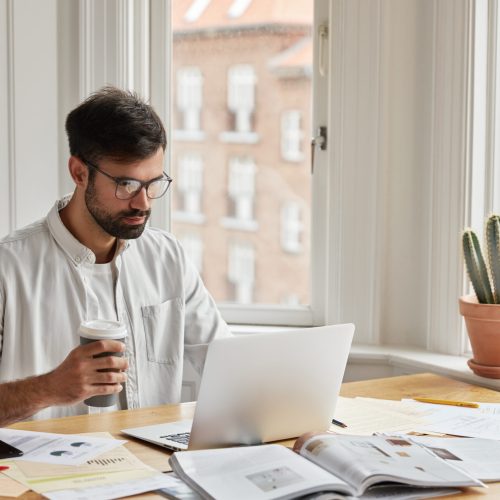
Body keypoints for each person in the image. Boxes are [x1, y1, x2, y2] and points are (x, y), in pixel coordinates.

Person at [0, 86, 229, 426]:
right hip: (42, 476)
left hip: (153, 470)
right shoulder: (9, 269)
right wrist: (50, 388)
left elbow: (225, 362)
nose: (144, 203)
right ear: (79, 173)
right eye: (126, 185)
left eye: (154, 183)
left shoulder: (168, 258)